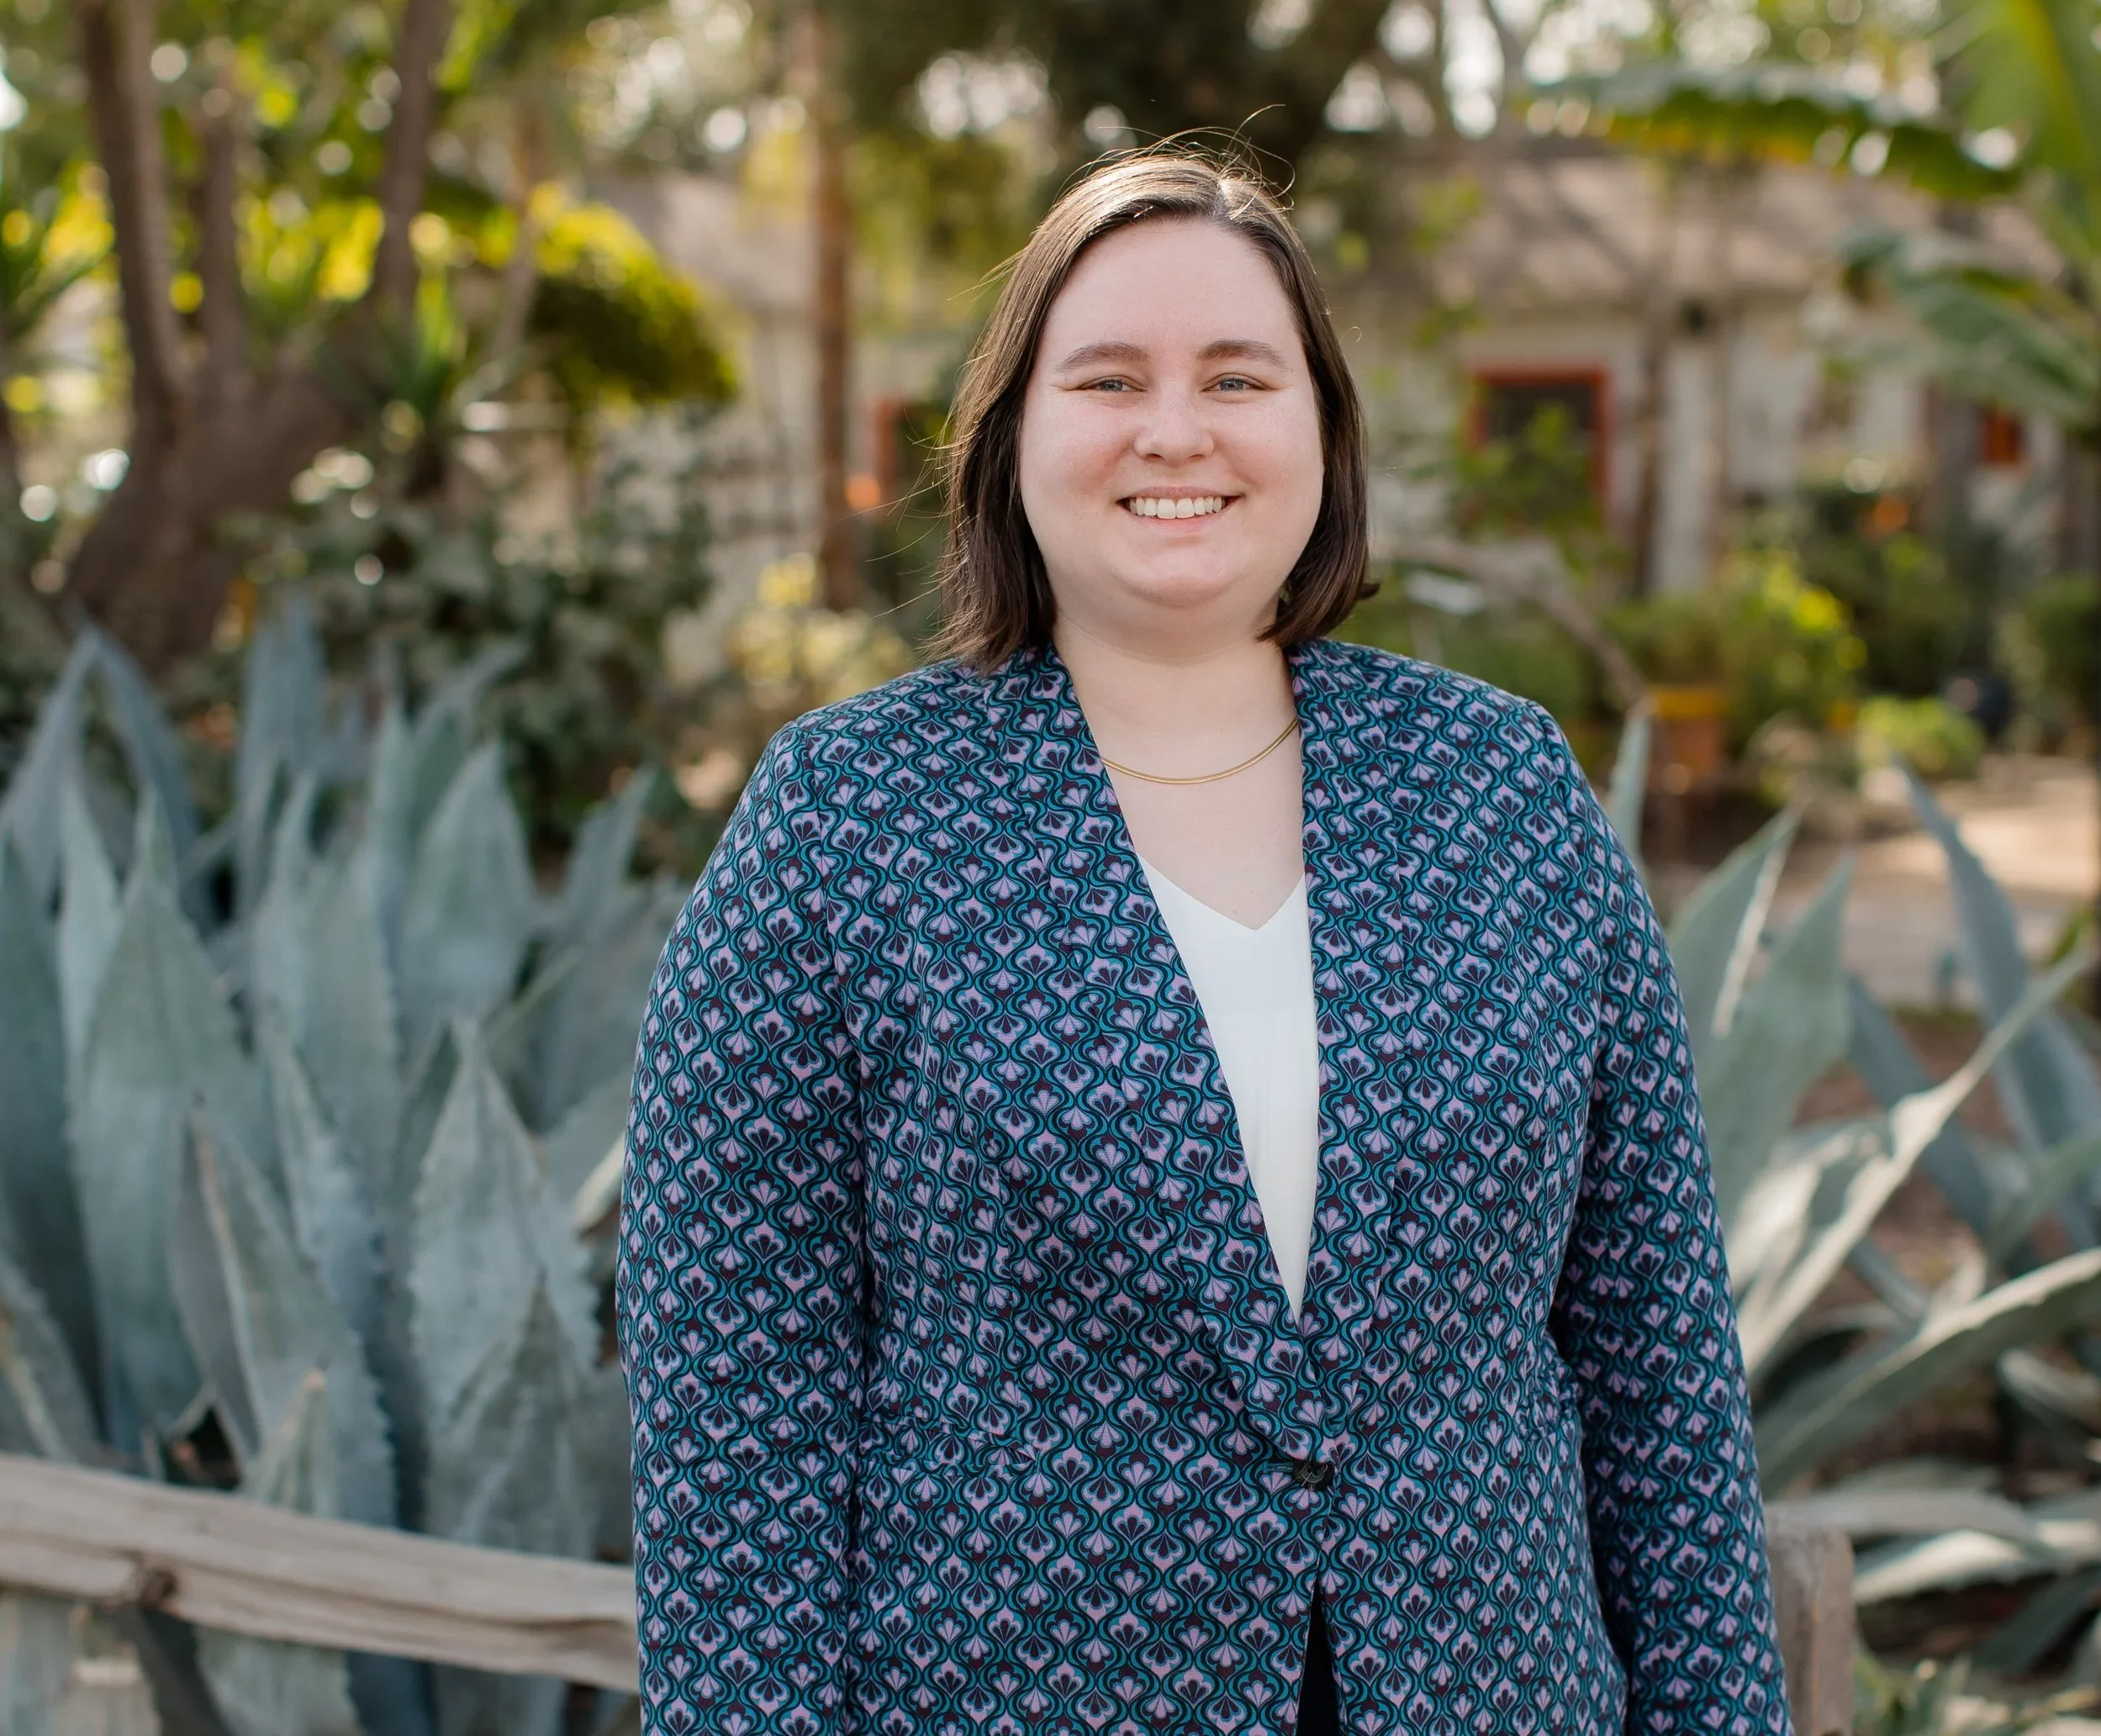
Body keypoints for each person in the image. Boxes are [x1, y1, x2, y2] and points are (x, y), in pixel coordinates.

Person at [619, 153, 1789, 1735]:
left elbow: (1659, 1366)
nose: (1176, 429)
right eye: (1107, 377)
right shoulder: (846, 821)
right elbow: (735, 1415)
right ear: (1013, 434)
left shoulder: (1503, 788)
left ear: (1319, 427)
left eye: (1238, 376)